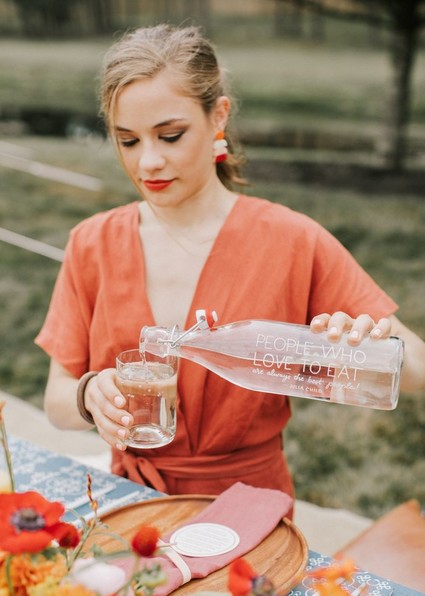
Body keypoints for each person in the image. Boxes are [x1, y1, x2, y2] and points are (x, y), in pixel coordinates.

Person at [35, 24, 425, 512]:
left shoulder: (290, 240)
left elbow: (417, 366)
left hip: (248, 510)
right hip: (132, 508)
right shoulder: (92, 243)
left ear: (218, 116)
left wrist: (366, 343)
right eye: (128, 140)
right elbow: (56, 399)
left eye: (170, 136)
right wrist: (89, 395)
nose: (148, 162)